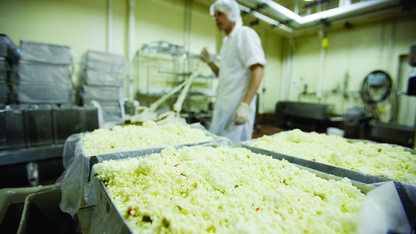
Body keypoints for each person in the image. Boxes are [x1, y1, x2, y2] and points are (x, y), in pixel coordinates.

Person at [199, 0, 266, 144]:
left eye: (220, 14)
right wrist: (209, 61)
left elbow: (258, 69)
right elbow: (223, 75)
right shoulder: (226, 42)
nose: (216, 18)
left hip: (237, 111)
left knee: (233, 153)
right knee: (217, 150)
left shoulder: (244, 34)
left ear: (232, 14)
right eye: (214, 15)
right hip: (223, 107)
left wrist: (245, 105)